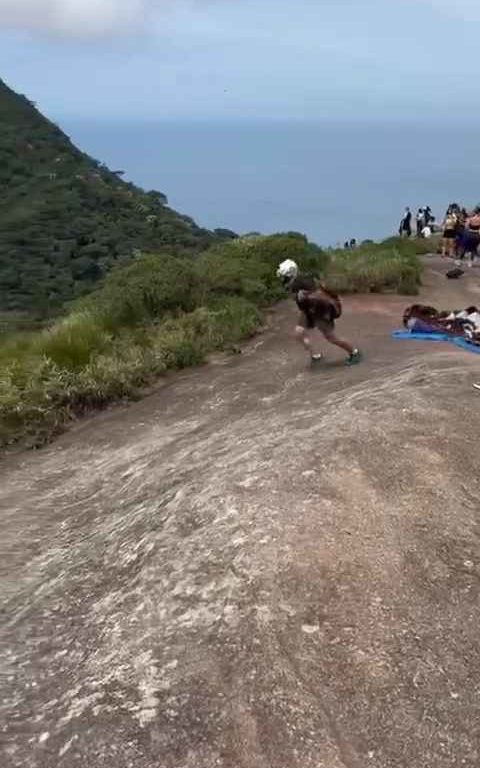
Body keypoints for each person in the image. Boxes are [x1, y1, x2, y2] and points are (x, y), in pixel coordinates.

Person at [276, 259, 362, 366]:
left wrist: (305, 295)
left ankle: (354, 352)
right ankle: (316, 356)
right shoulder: (293, 283)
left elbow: (317, 294)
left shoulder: (304, 280)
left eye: (284, 276)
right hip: (308, 310)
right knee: (298, 333)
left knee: (331, 337)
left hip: (320, 311)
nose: (283, 279)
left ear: (290, 274)